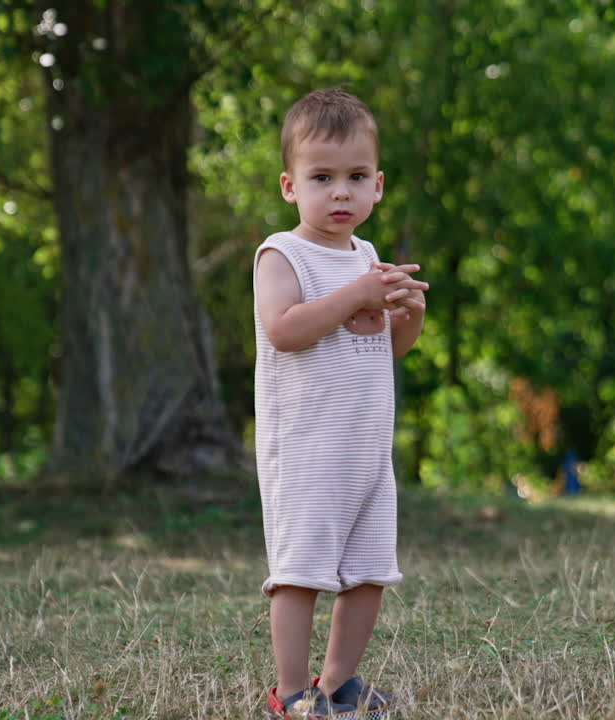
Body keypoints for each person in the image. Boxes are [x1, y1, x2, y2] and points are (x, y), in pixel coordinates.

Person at [252, 88, 428, 719]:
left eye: (356, 177)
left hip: (364, 449)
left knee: (369, 571)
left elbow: (386, 348)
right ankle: (292, 693)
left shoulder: (367, 259)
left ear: (378, 186)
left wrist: (408, 314)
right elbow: (285, 329)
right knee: (300, 572)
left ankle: (337, 684)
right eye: (321, 177)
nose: (340, 193)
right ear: (290, 186)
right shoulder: (283, 253)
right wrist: (357, 293)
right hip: (306, 446)